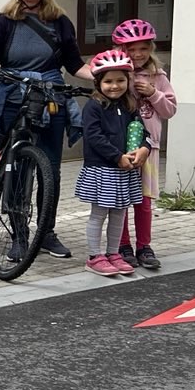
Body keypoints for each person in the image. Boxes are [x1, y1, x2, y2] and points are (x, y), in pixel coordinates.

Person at [0, 0, 88, 260]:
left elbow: (75, 64)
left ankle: (46, 232)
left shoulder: (61, 22)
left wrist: (105, 75)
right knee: (18, 167)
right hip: (13, 94)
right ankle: (19, 234)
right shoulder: (5, 21)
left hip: (50, 96)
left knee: (50, 169)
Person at [76, 49, 151, 277]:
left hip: (125, 170)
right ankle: (94, 256)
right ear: (99, 82)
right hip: (103, 169)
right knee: (99, 214)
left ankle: (113, 253)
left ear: (128, 80)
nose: (115, 86)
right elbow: (93, 136)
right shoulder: (94, 106)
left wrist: (144, 149)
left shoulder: (129, 105)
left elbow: (142, 130)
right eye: (108, 81)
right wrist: (116, 156)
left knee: (119, 213)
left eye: (120, 80)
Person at [110, 18, 176, 270]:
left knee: (144, 201)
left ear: (151, 48)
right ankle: (122, 244)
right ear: (121, 50)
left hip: (149, 148)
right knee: (121, 200)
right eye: (131, 49)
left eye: (143, 48)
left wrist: (153, 92)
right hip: (121, 147)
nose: (137, 54)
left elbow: (170, 110)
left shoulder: (158, 76)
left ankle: (144, 247)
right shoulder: (115, 74)